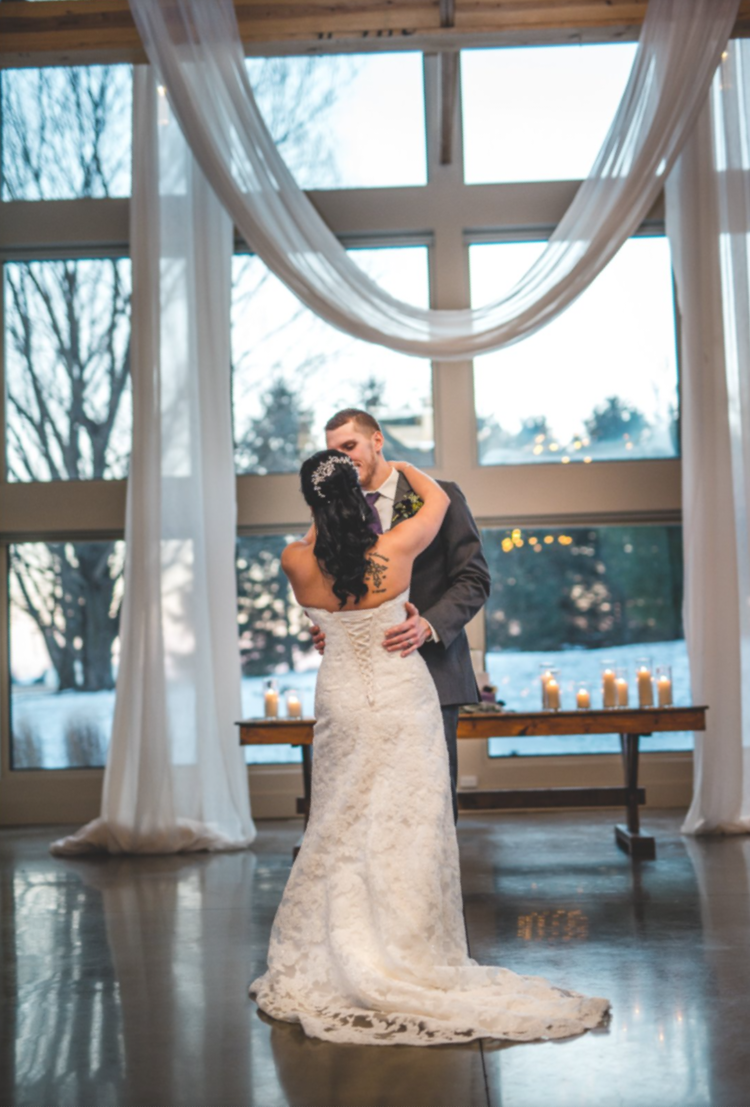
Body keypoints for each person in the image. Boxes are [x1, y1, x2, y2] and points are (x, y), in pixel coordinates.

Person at [249, 448, 610, 1046]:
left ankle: (343, 947)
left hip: (340, 698)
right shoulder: (393, 551)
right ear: (358, 496)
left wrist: (326, 508)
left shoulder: (294, 560)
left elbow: (322, 552)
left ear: (312, 503)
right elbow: (437, 500)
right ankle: (408, 948)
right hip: (399, 692)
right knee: (409, 823)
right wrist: (399, 464)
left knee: (338, 823)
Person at [312, 408, 491, 822]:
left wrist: (427, 625)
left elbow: (474, 579)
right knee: (367, 803)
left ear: (377, 440)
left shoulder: (438, 496)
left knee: (431, 804)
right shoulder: (335, 513)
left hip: (432, 671)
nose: (342, 459)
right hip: (361, 685)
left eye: (349, 446)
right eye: (333, 453)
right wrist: (330, 629)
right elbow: (335, 591)